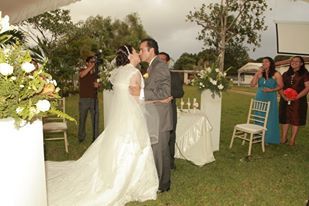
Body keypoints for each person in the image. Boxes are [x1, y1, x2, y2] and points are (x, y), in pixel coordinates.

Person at [46, 44, 160, 206]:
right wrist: (155, 101)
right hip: (131, 117)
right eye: (135, 52)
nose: (137, 54)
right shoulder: (134, 72)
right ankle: (131, 181)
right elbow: (136, 97)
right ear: (129, 56)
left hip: (120, 119)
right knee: (134, 148)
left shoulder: (119, 72)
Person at [139, 38, 173, 193]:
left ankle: (163, 185)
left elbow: (165, 92)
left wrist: (140, 92)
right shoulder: (151, 67)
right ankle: (159, 182)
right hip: (154, 115)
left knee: (161, 152)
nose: (140, 53)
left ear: (151, 50)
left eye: (142, 50)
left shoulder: (159, 66)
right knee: (157, 151)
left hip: (160, 117)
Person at [158, 52, 184, 170]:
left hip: (169, 109)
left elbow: (180, 93)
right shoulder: (151, 74)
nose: (161, 62)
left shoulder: (174, 76)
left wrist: (169, 95)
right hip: (154, 110)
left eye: (163, 60)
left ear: (167, 62)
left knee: (171, 135)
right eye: (158, 60)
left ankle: (170, 163)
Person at [250, 57, 283, 144]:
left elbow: (281, 86)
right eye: (263, 62)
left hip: (270, 98)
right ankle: (258, 136)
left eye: (266, 61)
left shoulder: (276, 74)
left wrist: (271, 90)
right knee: (259, 116)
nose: (264, 63)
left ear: (271, 63)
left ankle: (268, 139)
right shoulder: (260, 73)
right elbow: (252, 85)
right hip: (260, 97)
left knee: (270, 118)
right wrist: (257, 74)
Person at [279, 56, 309, 146]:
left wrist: (297, 96)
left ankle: (292, 140)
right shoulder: (285, 74)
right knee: (285, 118)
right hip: (285, 100)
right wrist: (284, 97)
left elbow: (307, 87)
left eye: (297, 61)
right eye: (292, 61)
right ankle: (283, 138)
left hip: (299, 101)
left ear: (301, 63)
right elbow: (280, 86)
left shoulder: (305, 74)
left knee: (296, 119)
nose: (294, 62)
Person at [78, 56, 100, 143]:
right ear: (86, 63)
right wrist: (91, 67)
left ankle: (95, 138)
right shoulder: (82, 70)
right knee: (82, 119)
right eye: (91, 62)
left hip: (94, 99)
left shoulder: (96, 74)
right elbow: (81, 75)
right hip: (84, 99)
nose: (93, 63)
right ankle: (81, 137)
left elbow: (99, 83)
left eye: (94, 62)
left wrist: (98, 85)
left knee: (95, 119)